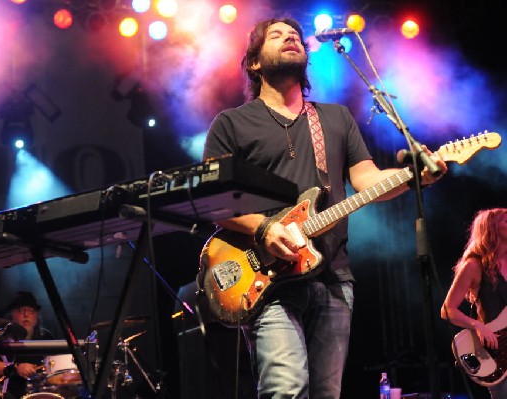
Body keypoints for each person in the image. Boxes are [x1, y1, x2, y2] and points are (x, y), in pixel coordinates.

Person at [201, 16, 447, 399]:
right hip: (268, 280)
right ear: (254, 62)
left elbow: (366, 181)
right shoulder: (231, 124)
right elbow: (212, 205)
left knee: (326, 394)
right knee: (286, 389)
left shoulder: (334, 118)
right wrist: (265, 229)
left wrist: (409, 177)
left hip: (332, 276)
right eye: (277, 36)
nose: (290, 38)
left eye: (295, 35)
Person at [441, 208, 507, 399]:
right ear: (492, 229)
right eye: (506, 221)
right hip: (497, 351)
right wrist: (477, 326)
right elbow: (447, 309)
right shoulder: (474, 266)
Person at [0, 291, 54, 399]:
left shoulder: (47, 338)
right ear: (11, 314)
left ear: (36, 316)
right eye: (20, 310)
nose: (26, 315)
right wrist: (16, 369)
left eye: (31, 311)